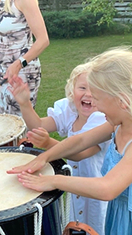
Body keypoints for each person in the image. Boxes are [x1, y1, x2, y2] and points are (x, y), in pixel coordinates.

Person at [7, 46, 132, 235]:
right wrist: (44, 157)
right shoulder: (117, 124)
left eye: (98, 98)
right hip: (118, 213)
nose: (95, 104)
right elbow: (80, 141)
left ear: (122, 101)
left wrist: (54, 181)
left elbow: (108, 188)